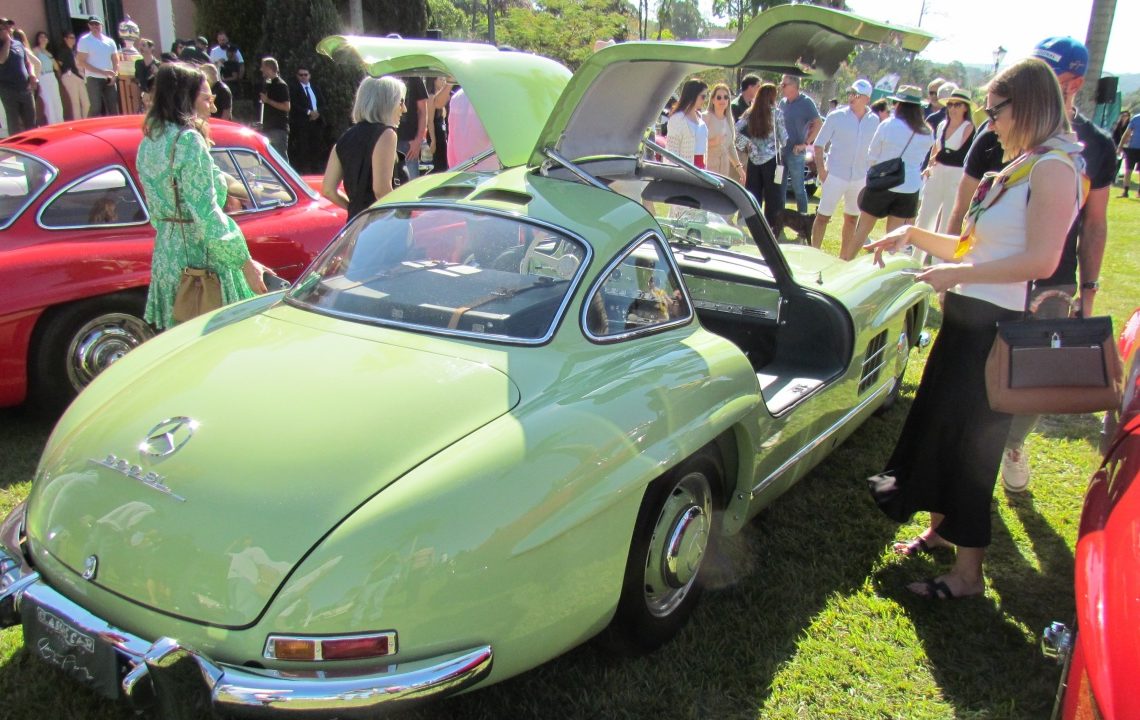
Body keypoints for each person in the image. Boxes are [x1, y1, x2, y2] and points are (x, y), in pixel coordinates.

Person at [866, 57, 1084, 600]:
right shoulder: (1023, 165)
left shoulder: (1054, 168)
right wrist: (912, 235)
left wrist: (958, 273)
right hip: (966, 323)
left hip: (994, 331)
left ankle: (968, 576)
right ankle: (941, 531)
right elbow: (972, 246)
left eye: (997, 111)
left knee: (972, 447)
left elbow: (1041, 260)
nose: (991, 123)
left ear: (1026, 106)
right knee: (943, 430)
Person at [136, 63, 267, 330]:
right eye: (207, 99)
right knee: (216, 340)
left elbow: (156, 210)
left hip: (167, 255)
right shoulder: (187, 141)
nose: (214, 108)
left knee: (177, 341)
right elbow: (206, 213)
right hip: (199, 260)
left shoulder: (150, 140)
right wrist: (244, 263)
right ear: (185, 98)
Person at [847, 86, 934, 261]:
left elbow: (872, 155)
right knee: (893, 238)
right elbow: (921, 158)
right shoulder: (927, 132)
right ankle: (884, 271)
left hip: (883, 182)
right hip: (909, 186)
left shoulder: (888, 125)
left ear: (899, 104)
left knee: (862, 230)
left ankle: (846, 262)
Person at [321, 76, 406, 222]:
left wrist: (356, 211)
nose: (404, 109)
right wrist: (403, 218)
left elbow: (328, 190)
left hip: (356, 225)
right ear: (387, 102)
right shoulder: (387, 134)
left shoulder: (345, 138)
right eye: (401, 102)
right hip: (382, 224)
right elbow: (381, 190)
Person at [810, 78, 879, 251]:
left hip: (859, 177)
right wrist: (822, 171)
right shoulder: (836, 116)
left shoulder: (874, 120)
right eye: (851, 93)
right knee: (823, 217)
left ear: (867, 99)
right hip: (835, 174)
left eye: (857, 95)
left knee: (852, 219)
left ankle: (844, 258)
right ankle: (814, 251)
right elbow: (819, 144)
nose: (852, 97)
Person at [915, 87, 975, 234]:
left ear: (965, 108)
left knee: (947, 216)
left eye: (957, 105)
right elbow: (936, 148)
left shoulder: (968, 127)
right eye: (950, 104)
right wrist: (929, 166)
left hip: (955, 175)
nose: (953, 108)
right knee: (925, 214)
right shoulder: (942, 125)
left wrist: (938, 157)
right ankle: (917, 247)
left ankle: (938, 249)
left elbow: (958, 155)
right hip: (937, 172)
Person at [735, 82, 786, 230]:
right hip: (772, 160)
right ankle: (772, 226)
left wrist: (747, 145)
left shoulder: (749, 113)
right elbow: (784, 138)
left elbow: (736, 130)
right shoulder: (777, 113)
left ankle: (752, 224)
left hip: (753, 159)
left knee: (753, 193)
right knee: (773, 196)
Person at [778, 74, 821, 214]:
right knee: (779, 187)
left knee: (798, 189)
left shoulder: (806, 102)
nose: (781, 87)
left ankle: (803, 220)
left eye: (784, 84)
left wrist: (805, 144)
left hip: (796, 153)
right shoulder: (782, 103)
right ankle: (778, 220)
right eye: (781, 84)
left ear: (794, 86)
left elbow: (818, 124)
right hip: (781, 153)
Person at [77, 16, 119, 117]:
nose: (95, 26)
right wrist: (102, 72)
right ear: (89, 25)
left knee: (113, 107)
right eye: (92, 24)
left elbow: (116, 60)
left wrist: (115, 75)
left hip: (109, 78)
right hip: (93, 78)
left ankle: (114, 126)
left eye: (97, 24)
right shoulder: (84, 40)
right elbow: (81, 62)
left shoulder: (110, 41)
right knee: (96, 107)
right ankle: (89, 126)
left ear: (101, 25)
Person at [0, 20, 38, 133]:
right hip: (9, 90)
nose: (8, 29)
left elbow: (28, 62)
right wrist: (7, 41)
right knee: (14, 123)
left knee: (31, 122)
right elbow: (2, 59)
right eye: (4, 28)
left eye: (9, 26)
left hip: (25, 88)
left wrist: (32, 74)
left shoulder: (18, 44)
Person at [446, 86, 495, 170]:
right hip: (491, 171)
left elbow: (452, 142)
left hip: (463, 168)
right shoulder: (494, 95)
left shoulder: (456, 97)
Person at [704, 82, 744, 182]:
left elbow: (730, 146)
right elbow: (696, 143)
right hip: (707, 170)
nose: (722, 100)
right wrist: (713, 142)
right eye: (719, 97)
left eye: (726, 97)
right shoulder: (705, 117)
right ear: (713, 100)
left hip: (724, 172)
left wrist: (739, 168)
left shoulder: (729, 120)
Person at [289, 67, 326, 173]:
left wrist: (317, 113)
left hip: (316, 122)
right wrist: (309, 112)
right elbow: (294, 104)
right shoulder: (295, 89)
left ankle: (316, 170)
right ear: (297, 76)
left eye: (305, 74)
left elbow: (323, 103)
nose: (303, 77)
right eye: (301, 75)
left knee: (316, 146)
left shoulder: (315, 88)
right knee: (303, 147)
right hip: (303, 123)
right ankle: (304, 170)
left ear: (309, 76)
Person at [666, 79, 708, 168]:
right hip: (686, 170)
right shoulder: (677, 119)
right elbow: (671, 153)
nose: (705, 100)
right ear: (693, 95)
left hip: (701, 169)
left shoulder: (700, 117)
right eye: (703, 96)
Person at [258, 57, 290, 161]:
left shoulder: (281, 85)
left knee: (280, 159)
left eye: (263, 67)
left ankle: (285, 172)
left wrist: (268, 101)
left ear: (269, 68)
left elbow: (286, 107)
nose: (261, 70)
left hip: (278, 129)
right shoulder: (268, 84)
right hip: (268, 127)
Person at [31, 31, 62, 125]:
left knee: (57, 101)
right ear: (37, 39)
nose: (43, 38)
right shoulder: (35, 51)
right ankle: (53, 124)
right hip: (42, 76)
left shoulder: (49, 52)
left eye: (45, 37)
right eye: (41, 37)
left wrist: (50, 57)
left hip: (52, 76)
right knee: (48, 102)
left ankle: (60, 123)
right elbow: (32, 64)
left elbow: (56, 67)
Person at [57, 29, 86, 120]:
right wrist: (64, 74)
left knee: (86, 103)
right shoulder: (63, 51)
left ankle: (85, 121)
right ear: (65, 39)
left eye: (74, 38)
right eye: (71, 37)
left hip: (79, 76)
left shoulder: (74, 51)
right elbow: (59, 64)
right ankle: (79, 123)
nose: (73, 39)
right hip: (69, 76)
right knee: (75, 103)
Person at [427, 75, 453, 173]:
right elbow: (430, 121)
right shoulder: (431, 97)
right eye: (441, 79)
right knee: (440, 164)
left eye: (444, 80)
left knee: (444, 162)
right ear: (434, 81)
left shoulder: (443, 96)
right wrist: (433, 140)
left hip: (442, 131)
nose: (443, 82)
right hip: (435, 131)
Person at [1119, 111, 1140, 198]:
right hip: (1132, 148)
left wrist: (1120, 146)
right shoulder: (1136, 118)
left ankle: (1136, 192)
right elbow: (1127, 133)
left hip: (1133, 148)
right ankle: (1125, 191)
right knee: (1128, 170)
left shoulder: (1136, 118)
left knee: (1129, 170)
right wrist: (1120, 145)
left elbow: (1127, 133)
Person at [134, 39, 158, 111]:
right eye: (139, 45)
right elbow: (137, 80)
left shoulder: (157, 64)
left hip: (154, 96)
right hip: (143, 95)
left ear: (151, 48)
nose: (140, 48)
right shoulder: (138, 63)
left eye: (143, 45)